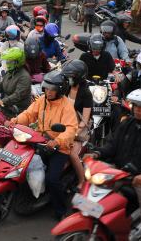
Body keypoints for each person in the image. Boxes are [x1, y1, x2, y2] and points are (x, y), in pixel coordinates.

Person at [87, 89, 141, 241]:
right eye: (135, 105)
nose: (136, 109)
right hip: (120, 172)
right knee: (92, 199)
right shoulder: (128, 123)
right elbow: (112, 144)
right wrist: (97, 153)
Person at [7, 70, 78, 219]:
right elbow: (28, 114)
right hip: (39, 141)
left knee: (52, 179)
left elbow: (71, 129)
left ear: (60, 90)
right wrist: (15, 121)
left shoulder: (67, 106)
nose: (48, 91)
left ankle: (61, 210)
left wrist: (57, 141)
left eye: (52, 89)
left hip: (59, 147)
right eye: (46, 88)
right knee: (22, 164)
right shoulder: (42, 100)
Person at [61, 60, 92, 188]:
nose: (68, 79)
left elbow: (84, 120)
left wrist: (74, 133)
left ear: (79, 78)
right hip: (63, 122)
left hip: (79, 126)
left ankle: (81, 181)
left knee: (72, 154)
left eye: (71, 77)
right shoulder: (66, 87)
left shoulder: (86, 93)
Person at [0, 47, 31, 113]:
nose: (7, 63)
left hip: (18, 110)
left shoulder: (24, 77)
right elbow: (1, 85)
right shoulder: (10, 72)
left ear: (17, 62)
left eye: (10, 61)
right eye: (7, 61)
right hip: (7, 106)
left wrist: (2, 101)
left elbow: (17, 95)